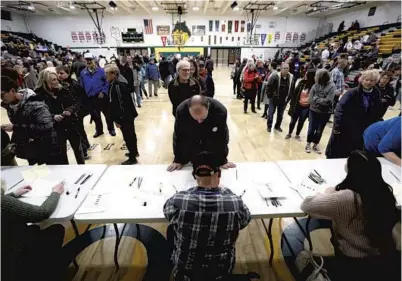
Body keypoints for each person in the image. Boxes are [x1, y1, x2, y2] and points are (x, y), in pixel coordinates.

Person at [301, 151, 401, 281]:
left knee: (302, 254)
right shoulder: (384, 193)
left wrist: (328, 193)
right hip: (385, 257)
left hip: (353, 261)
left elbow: (307, 205)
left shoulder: (346, 198)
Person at [164, 151, 251, 281]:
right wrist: (225, 190)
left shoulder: (179, 201)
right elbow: (245, 220)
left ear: (194, 176)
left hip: (186, 273)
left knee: (172, 230)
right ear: (219, 174)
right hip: (221, 272)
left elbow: (167, 211)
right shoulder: (235, 203)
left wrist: (192, 192)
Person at [1, 181, 66, 281]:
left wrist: (13, 195)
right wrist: (55, 193)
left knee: (33, 228)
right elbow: (41, 213)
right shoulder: (3, 202)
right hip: (15, 258)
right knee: (57, 230)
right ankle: (42, 271)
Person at [167, 95, 236, 172]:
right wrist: (178, 160)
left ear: (208, 108)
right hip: (191, 140)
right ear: (188, 110)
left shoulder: (220, 111)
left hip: (211, 137)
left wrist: (222, 160)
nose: (199, 121)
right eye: (195, 118)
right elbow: (178, 136)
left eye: (202, 118)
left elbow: (222, 137)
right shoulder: (181, 111)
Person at [1, 76, 58, 165]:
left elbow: (47, 127)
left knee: (49, 176)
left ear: (12, 91)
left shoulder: (35, 104)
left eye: (2, 95)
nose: (1, 98)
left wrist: (15, 128)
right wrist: (14, 142)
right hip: (30, 151)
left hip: (46, 150)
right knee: (36, 176)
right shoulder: (10, 106)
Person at [326, 70, 383, 159]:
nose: (368, 82)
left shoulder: (377, 93)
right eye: (366, 79)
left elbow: (378, 112)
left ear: (375, 82)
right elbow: (339, 110)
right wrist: (337, 126)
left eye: (371, 80)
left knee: (354, 154)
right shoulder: (351, 93)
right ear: (362, 80)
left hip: (363, 130)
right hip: (346, 128)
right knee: (338, 153)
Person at [35, 69, 84, 164]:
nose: (57, 81)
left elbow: (76, 103)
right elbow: (38, 115)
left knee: (78, 150)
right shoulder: (39, 96)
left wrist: (70, 110)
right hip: (55, 130)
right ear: (46, 82)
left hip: (71, 124)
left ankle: (83, 168)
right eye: (53, 80)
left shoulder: (63, 89)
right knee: (62, 155)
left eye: (57, 79)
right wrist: (53, 116)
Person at [105, 64, 139, 165]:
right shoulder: (115, 83)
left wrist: (118, 119)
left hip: (125, 116)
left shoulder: (118, 85)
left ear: (114, 74)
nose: (106, 75)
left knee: (128, 136)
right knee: (130, 135)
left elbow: (121, 105)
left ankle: (133, 158)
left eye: (107, 73)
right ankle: (134, 152)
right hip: (126, 115)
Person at [56, 65, 91, 160]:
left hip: (76, 113)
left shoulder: (74, 85)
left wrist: (78, 112)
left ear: (68, 73)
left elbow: (82, 99)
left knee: (79, 133)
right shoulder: (58, 85)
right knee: (80, 131)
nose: (59, 75)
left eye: (62, 73)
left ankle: (84, 151)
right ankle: (86, 145)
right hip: (68, 115)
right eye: (58, 73)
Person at [80, 53, 115, 138]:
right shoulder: (83, 73)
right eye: (87, 60)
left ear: (94, 60)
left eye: (90, 60)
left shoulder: (102, 71)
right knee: (96, 116)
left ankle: (111, 129)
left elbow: (107, 83)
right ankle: (99, 131)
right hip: (91, 98)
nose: (88, 61)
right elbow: (82, 85)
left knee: (108, 115)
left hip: (101, 97)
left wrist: (103, 92)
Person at [304, 69, 336, 154]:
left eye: (316, 76)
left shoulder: (332, 86)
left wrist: (316, 99)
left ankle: (315, 144)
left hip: (325, 113)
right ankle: (308, 143)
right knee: (311, 129)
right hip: (313, 111)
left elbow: (328, 101)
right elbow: (310, 100)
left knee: (319, 130)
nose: (314, 78)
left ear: (321, 78)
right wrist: (320, 101)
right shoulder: (315, 86)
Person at [285, 69, 316, 141]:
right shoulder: (301, 83)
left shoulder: (314, 86)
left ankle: (297, 134)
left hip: (306, 107)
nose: (305, 75)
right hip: (297, 105)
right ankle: (289, 133)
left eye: (307, 74)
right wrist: (291, 103)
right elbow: (295, 93)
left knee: (301, 121)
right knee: (293, 120)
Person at [265, 63, 295, 133]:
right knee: (271, 113)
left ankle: (277, 126)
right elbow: (268, 86)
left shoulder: (291, 77)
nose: (286, 70)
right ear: (281, 69)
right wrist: (270, 96)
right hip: (274, 99)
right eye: (284, 68)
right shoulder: (275, 76)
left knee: (280, 114)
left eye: (287, 68)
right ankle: (269, 126)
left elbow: (292, 89)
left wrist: (289, 99)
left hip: (283, 100)